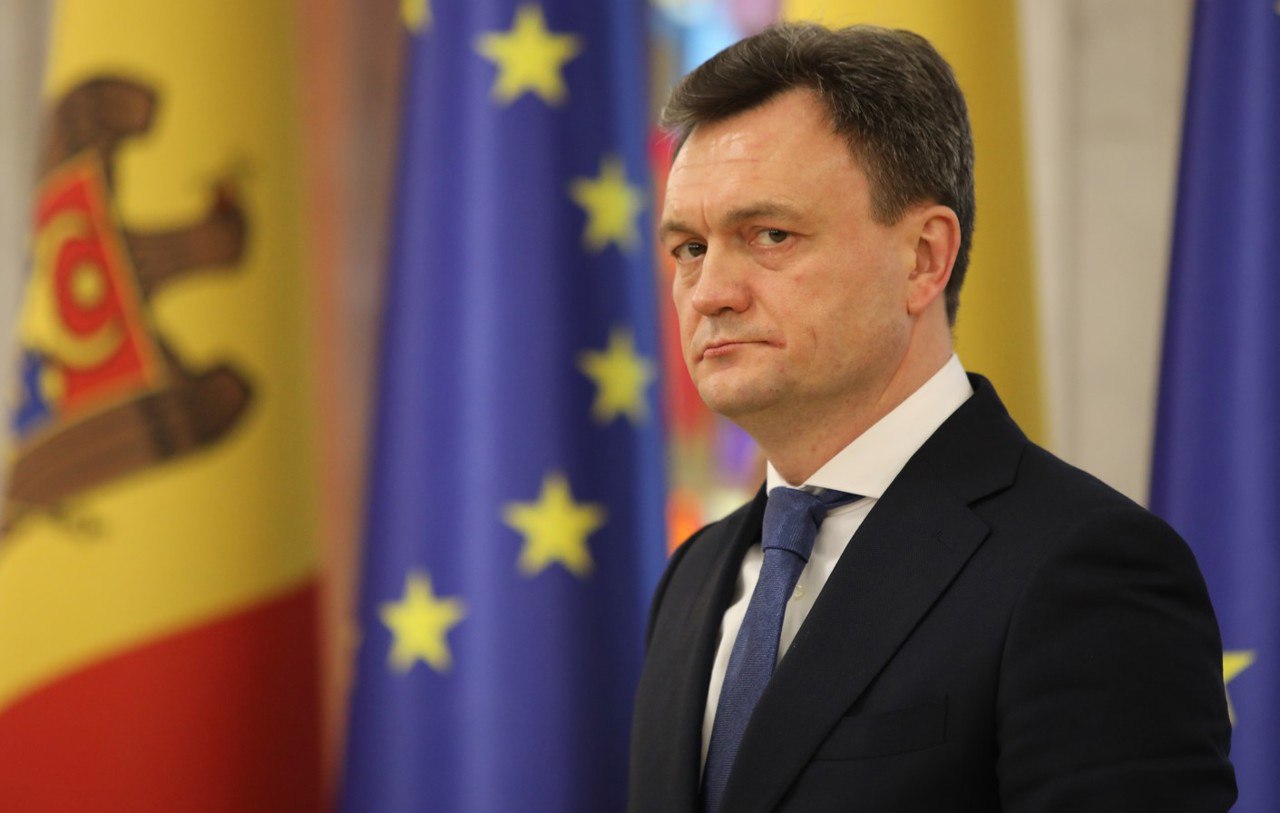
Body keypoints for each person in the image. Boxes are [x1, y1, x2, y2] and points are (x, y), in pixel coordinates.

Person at [628, 22, 1236, 813]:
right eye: (689, 248)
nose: (711, 292)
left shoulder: (1085, 569)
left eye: (769, 235)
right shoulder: (695, 574)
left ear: (924, 257)